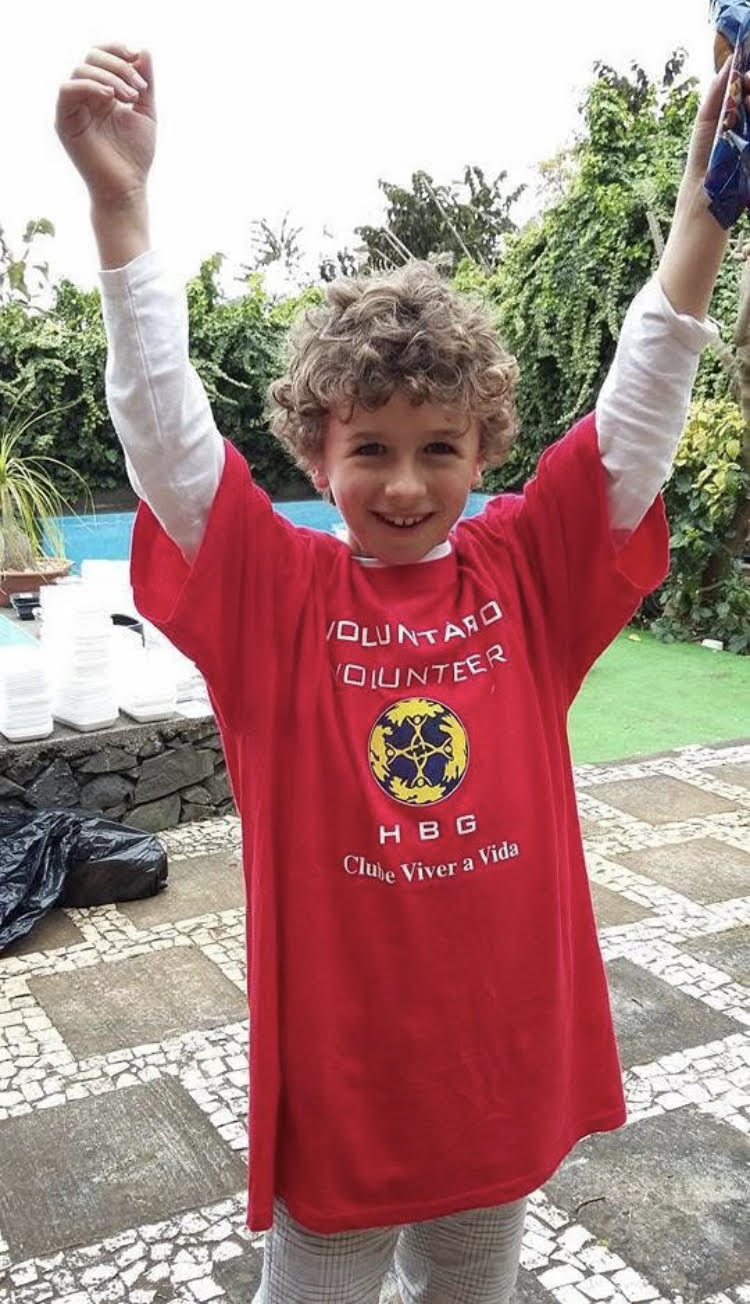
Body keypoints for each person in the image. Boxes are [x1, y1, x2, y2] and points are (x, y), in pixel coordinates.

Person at [56, 44, 735, 1304]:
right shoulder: (275, 595)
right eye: (370, 447)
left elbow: (638, 414)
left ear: (486, 447)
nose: (409, 482)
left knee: (473, 1277)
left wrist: (703, 216)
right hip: (347, 1074)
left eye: (441, 446)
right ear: (315, 455)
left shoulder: (526, 570)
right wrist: (120, 209)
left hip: (500, 1056)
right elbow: (165, 433)